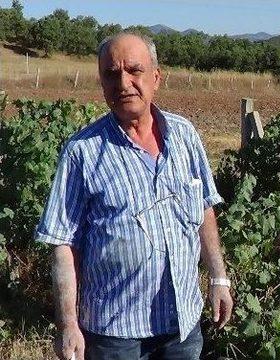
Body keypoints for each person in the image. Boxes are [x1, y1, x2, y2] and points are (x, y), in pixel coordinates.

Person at [35, 32, 233, 360]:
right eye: (111, 74)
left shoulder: (184, 136)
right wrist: (68, 325)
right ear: (101, 83)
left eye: (134, 71)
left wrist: (219, 278)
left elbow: (204, 208)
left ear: (156, 77)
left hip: (181, 325)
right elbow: (62, 244)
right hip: (114, 335)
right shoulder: (81, 152)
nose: (123, 83)